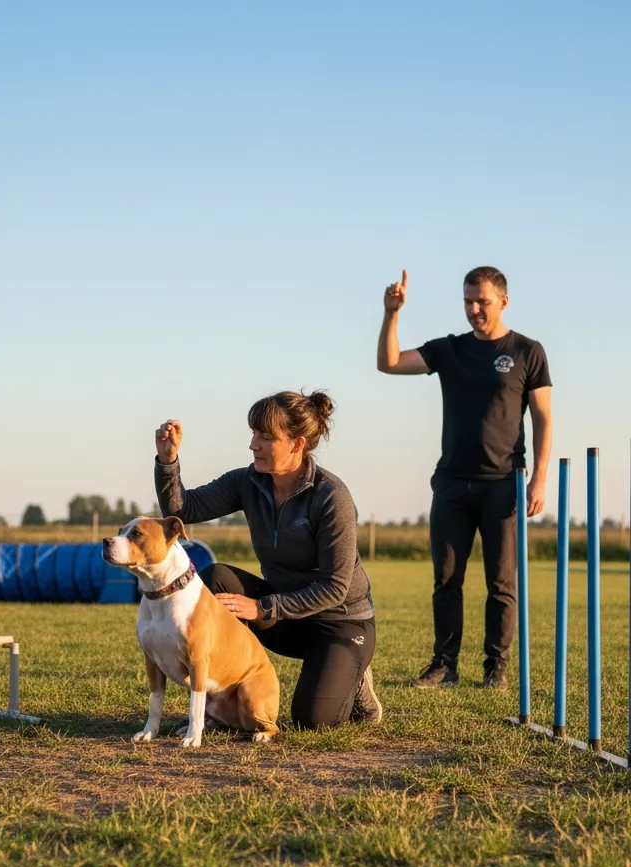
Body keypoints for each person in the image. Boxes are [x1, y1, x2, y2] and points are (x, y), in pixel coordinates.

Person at [154, 391, 380, 730]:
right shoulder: (248, 481)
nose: (253, 445)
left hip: (340, 622)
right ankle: (222, 703)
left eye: (265, 437)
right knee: (215, 578)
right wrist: (168, 461)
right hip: (286, 618)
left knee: (312, 721)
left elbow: (335, 588)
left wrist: (262, 608)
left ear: (296, 443)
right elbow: (183, 509)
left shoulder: (332, 497)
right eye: (254, 434)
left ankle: (355, 678)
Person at [376, 267, 552, 689]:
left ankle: (496, 668)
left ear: (503, 302)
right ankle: (444, 665)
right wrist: (391, 314)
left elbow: (544, 419)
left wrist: (539, 480)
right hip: (452, 482)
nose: (474, 309)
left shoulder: (528, 351)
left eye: (482, 302)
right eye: (468, 302)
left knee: (501, 583)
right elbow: (390, 363)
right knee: (447, 580)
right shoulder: (449, 350)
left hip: (504, 483)